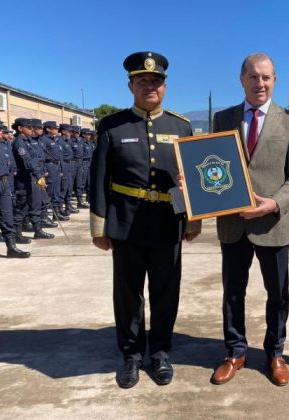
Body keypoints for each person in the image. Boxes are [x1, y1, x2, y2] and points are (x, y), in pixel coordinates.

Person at [89, 51, 201, 389]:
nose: (149, 86)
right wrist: (99, 226)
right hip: (125, 223)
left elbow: (194, 178)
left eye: (155, 81)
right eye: (143, 81)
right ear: (131, 85)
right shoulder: (111, 126)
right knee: (128, 294)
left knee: (166, 293)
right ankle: (131, 355)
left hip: (168, 223)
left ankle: (161, 352)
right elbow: (98, 179)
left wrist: (193, 220)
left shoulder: (181, 127)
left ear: (164, 86)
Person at [210, 53, 289, 387]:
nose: (260, 83)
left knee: (278, 294)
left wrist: (274, 204)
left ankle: (275, 352)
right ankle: (235, 352)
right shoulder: (222, 118)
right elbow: (213, 166)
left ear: (275, 80)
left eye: (266, 77)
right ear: (241, 79)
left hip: (273, 224)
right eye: (253, 77)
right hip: (233, 223)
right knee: (232, 293)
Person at [0, 117, 30, 259]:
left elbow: (9, 168)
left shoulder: (2, 145)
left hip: (4, 184)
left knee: (7, 217)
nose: (1, 130)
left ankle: (11, 247)